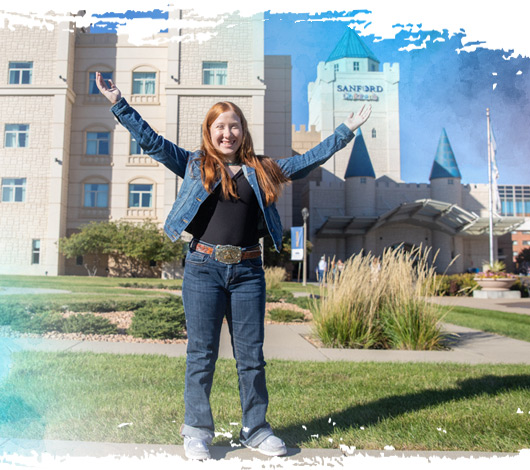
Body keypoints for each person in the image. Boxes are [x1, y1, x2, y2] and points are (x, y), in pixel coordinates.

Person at [95, 72, 371, 460]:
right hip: (203, 268)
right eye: (220, 127)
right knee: (201, 353)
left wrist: (346, 131)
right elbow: (152, 143)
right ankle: (196, 431)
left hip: (247, 272)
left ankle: (256, 430)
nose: (228, 133)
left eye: (234, 126)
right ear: (210, 131)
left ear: (243, 131)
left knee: (251, 356)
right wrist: (118, 103)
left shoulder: (262, 168)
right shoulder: (193, 164)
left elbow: (309, 160)